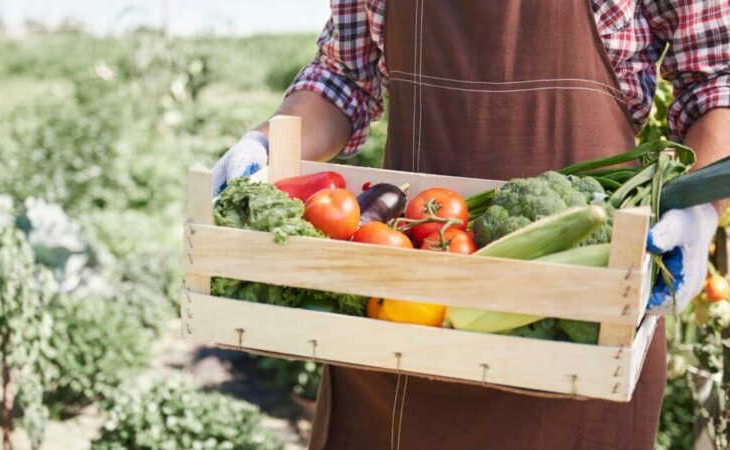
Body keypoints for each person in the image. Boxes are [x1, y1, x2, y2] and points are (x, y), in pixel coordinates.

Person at [212, 1, 729, 448]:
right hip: (403, 316)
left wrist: (699, 208)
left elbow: (717, 80)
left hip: (582, 327)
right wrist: (266, 144)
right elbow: (343, 77)